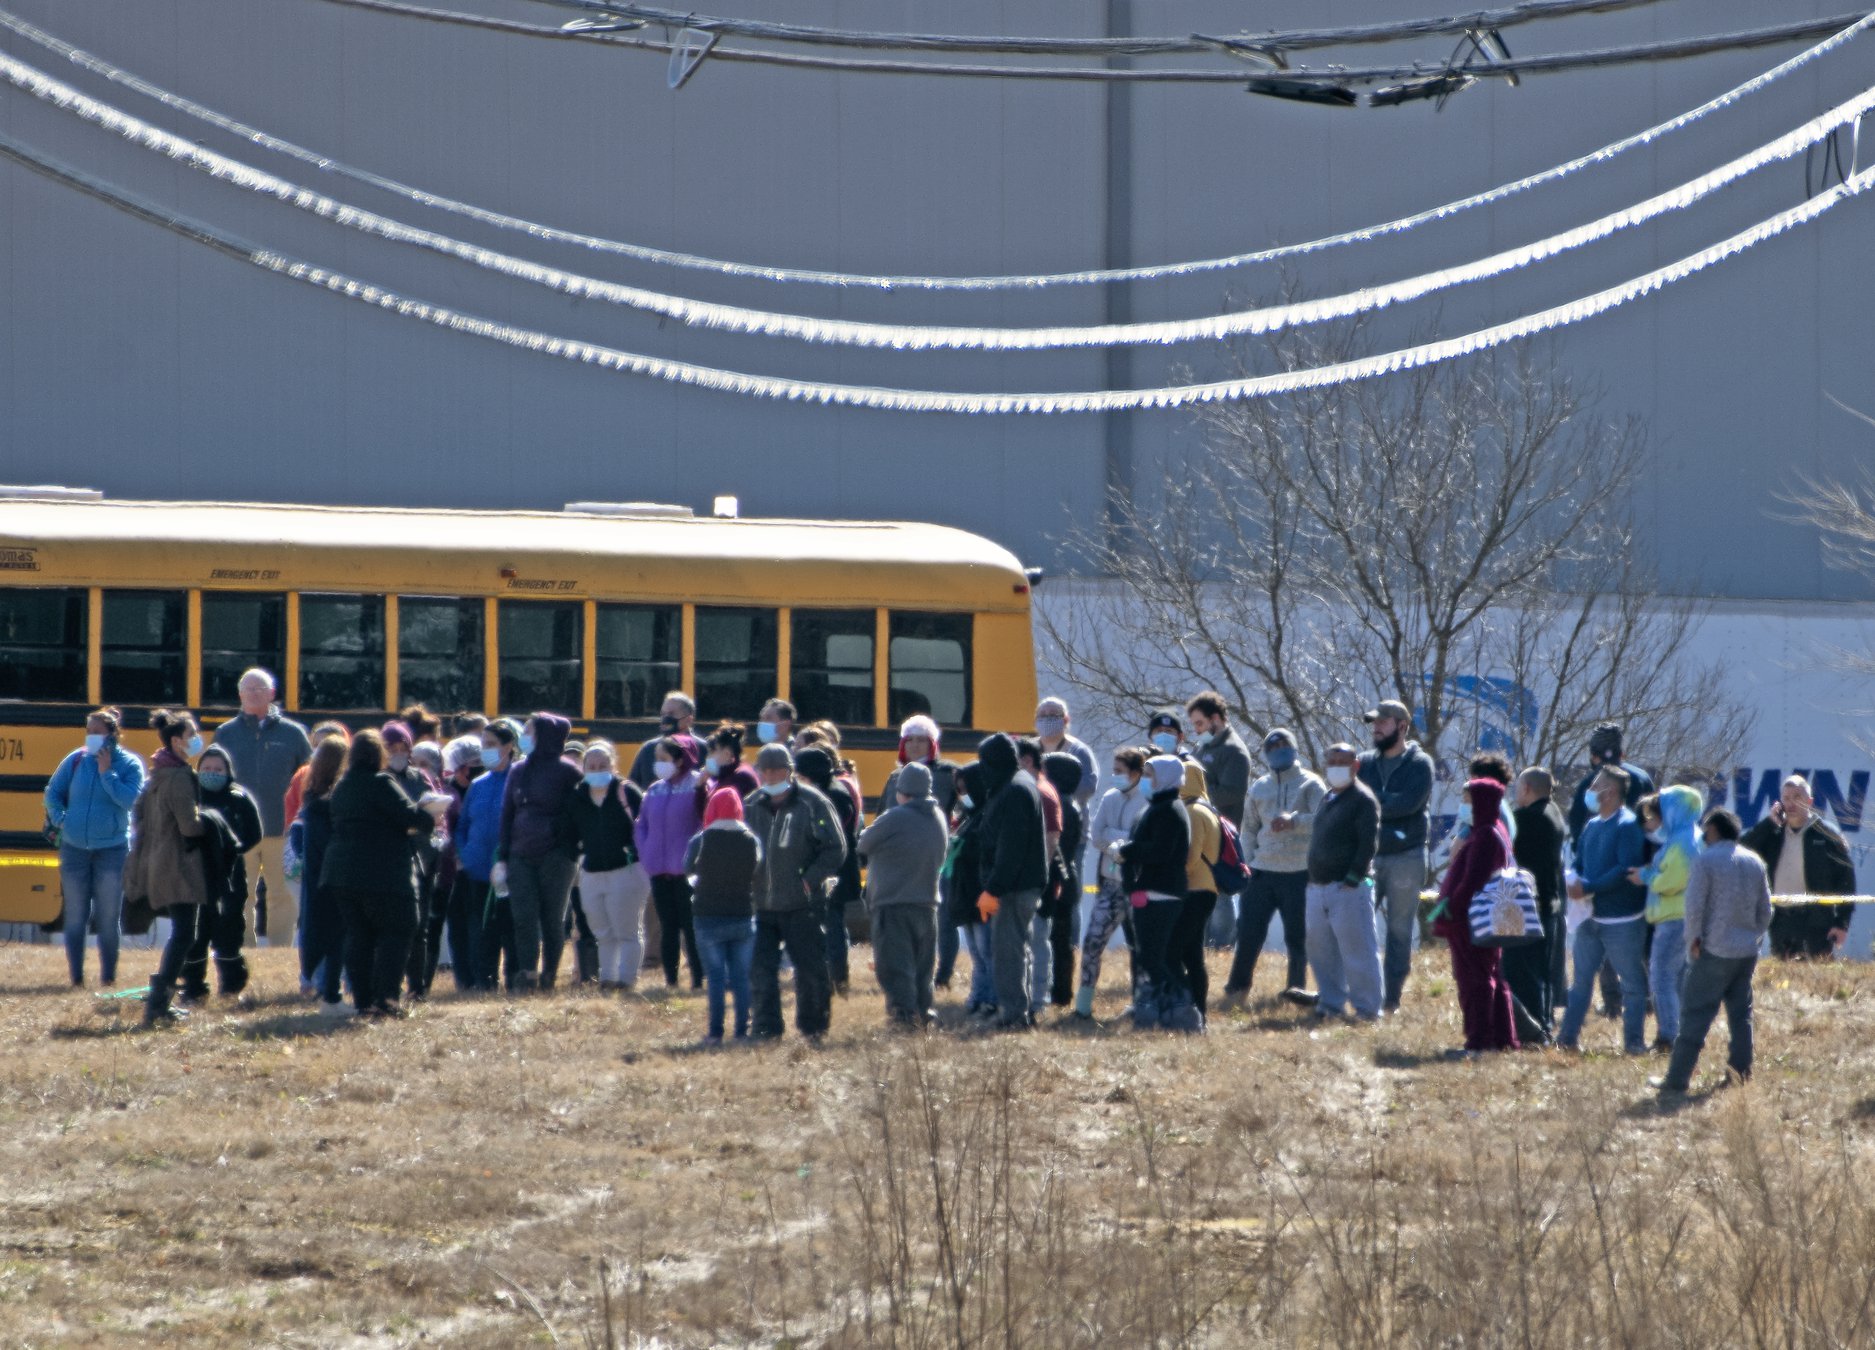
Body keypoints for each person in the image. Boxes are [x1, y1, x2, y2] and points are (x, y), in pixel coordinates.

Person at [322, 730, 450, 1018]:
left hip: (342, 873)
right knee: (399, 929)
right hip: (383, 872)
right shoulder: (381, 782)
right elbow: (409, 816)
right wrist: (430, 816)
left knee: (359, 935)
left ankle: (363, 1000)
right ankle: (387, 998)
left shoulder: (343, 786)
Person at [1652, 809, 1773, 1097]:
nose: (1703, 835)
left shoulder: (1706, 861)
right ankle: (1740, 1074)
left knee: (1694, 1014)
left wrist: (1693, 937)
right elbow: (1766, 910)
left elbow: (1693, 906)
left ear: (1715, 831)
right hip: (1746, 952)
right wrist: (1753, 937)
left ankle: (1677, 1080)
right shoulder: (1754, 861)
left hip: (1714, 950)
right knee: (1741, 1015)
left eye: (1705, 830)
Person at [746, 744, 845, 1041]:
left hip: (803, 904)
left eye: (778, 769)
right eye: (766, 770)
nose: (771, 775)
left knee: (810, 970)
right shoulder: (750, 804)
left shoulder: (813, 803)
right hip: (761, 904)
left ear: (789, 771)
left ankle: (813, 1028)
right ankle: (765, 1027)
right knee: (760, 969)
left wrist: (810, 880)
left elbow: (835, 848)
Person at [1222, 728, 1323, 1009]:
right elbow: (1250, 828)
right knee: (1249, 933)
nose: (1279, 749)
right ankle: (1236, 989)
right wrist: (1249, 862)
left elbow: (1325, 819)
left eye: (1284, 744)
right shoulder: (1260, 787)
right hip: (1262, 872)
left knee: (1297, 937)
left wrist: (1295, 821)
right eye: (1272, 746)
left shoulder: (1311, 784)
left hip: (1299, 871)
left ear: (1294, 748)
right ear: (1266, 754)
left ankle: (1296, 990)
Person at [212, 668, 312, 949]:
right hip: (239, 831)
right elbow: (215, 778)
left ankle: (280, 949)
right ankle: (243, 947)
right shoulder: (225, 733)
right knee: (240, 894)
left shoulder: (294, 733)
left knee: (282, 894)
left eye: (260, 689)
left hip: (281, 827)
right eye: (248, 689)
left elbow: (308, 776)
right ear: (240, 695)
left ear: (272, 694)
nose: (254, 694)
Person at [44, 707, 144, 988]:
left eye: (97, 733)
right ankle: (76, 978)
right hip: (74, 849)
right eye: (88, 732)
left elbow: (130, 801)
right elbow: (53, 792)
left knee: (108, 917)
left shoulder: (129, 765)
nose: (91, 738)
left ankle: (108, 978)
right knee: (75, 915)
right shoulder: (75, 760)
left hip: (112, 850)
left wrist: (107, 773)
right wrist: (60, 819)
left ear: (113, 735)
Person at [1557, 767, 1650, 1055]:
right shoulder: (1592, 825)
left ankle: (1633, 1044)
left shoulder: (1628, 825)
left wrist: (1589, 886)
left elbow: (1625, 869)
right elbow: (1582, 862)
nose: (1590, 790)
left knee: (1633, 985)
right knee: (1581, 982)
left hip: (1623, 919)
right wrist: (1576, 880)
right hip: (1590, 917)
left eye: (1595, 785)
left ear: (1610, 792)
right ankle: (1567, 1039)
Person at [126, 710, 209, 1027]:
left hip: (159, 862)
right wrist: (212, 825)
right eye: (191, 736)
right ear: (176, 741)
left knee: (182, 931)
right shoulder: (178, 778)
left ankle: (160, 997)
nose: (196, 740)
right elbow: (189, 826)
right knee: (186, 933)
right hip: (179, 865)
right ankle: (160, 1002)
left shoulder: (158, 773)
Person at [1356, 699, 1435, 1014]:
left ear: (1402, 727)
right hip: (1367, 858)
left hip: (1407, 857)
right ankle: (1361, 993)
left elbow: (1409, 804)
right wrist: (1383, 802)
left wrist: (1374, 803)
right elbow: (1356, 804)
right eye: (1374, 722)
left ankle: (1391, 1000)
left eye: (1384, 722)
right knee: (1358, 925)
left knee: (1399, 931)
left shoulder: (1420, 764)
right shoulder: (1363, 762)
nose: (1376, 727)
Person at [859, 760, 949, 1029]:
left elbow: (863, 842)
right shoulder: (939, 817)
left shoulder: (896, 816)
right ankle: (923, 1014)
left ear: (902, 791)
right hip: (928, 902)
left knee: (895, 966)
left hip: (893, 903)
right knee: (922, 969)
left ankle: (903, 1018)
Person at [495, 713, 581, 992]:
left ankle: (550, 975)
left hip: (556, 855)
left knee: (552, 918)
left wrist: (563, 841)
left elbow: (577, 814)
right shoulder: (519, 770)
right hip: (521, 854)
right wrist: (503, 857)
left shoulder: (567, 771)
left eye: (530, 731)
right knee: (523, 916)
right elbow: (508, 815)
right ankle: (528, 972)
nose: (525, 736)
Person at [1433, 778, 1519, 1057]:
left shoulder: (1484, 836)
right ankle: (1503, 1039)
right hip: (1485, 917)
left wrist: (1451, 907)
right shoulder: (1495, 830)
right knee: (1493, 976)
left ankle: (1479, 1041)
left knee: (1474, 981)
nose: (1464, 807)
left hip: (1471, 919)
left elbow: (1473, 880)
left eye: (1468, 801)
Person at [1303, 742, 1383, 1022]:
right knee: (1321, 952)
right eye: (1332, 761)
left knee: (1358, 951)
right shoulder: (1328, 798)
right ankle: (1331, 1004)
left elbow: (1367, 844)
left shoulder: (1362, 799)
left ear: (1356, 766)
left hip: (1348, 889)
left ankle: (1368, 1010)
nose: (1336, 767)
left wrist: (1352, 878)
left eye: (1343, 761)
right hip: (1318, 887)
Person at [976, 733, 1048, 1030]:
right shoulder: (1018, 783)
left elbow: (1011, 848)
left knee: (1009, 953)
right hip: (1020, 884)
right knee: (1020, 950)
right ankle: (1023, 1011)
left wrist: (993, 889)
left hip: (1014, 888)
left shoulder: (1014, 790)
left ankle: (1014, 1016)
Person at [882, 715, 961, 986]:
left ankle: (943, 974)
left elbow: (966, 809)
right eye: (910, 740)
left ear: (932, 743)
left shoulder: (948, 773)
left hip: (939, 855)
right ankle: (910, 969)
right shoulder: (895, 777)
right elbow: (883, 815)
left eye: (922, 740)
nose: (916, 745)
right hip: (900, 858)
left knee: (943, 916)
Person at [1742, 775, 1857, 959]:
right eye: (1786, 798)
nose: (1791, 803)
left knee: (1815, 978)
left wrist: (1842, 922)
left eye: (1797, 797)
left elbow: (1846, 882)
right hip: (1780, 919)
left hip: (1816, 922)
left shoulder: (1828, 835)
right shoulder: (1773, 833)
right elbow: (1741, 850)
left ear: (1809, 801)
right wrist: (1768, 823)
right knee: (1781, 980)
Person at [1115, 755, 1191, 1030]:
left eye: (1150, 774)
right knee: (1153, 956)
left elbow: (1160, 851)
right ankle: (1164, 1010)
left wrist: (1126, 850)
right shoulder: (1153, 807)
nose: (1145, 779)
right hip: (1149, 890)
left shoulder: (1169, 809)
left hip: (1162, 892)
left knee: (1153, 957)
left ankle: (1183, 1007)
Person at [182, 746, 263, 1003]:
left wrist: (232, 850)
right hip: (194, 875)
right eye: (207, 769)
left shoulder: (239, 798)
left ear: (228, 772)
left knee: (228, 928)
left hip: (229, 875)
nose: (212, 774)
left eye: (218, 770)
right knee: (196, 932)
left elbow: (254, 833)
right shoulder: (189, 797)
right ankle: (193, 987)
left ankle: (231, 985)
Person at [1075, 747, 1149, 1018]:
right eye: (1114, 771)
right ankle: (1083, 1006)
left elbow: (1141, 840)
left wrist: (1116, 839)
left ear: (1136, 773)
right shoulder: (1108, 798)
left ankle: (1141, 1004)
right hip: (1110, 884)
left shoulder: (1146, 801)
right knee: (1093, 941)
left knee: (1139, 948)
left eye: (1120, 771)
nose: (1115, 776)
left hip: (1137, 885)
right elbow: (1096, 835)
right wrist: (1120, 840)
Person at [571, 741, 650, 992]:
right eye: (591, 766)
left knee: (626, 930)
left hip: (625, 871)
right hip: (591, 873)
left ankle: (625, 981)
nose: (597, 770)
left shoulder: (627, 792)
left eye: (602, 765)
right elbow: (568, 832)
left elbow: (645, 827)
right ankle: (607, 979)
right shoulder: (577, 797)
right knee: (603, 933)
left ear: (613, 766)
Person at [685, 787, 761, 1045]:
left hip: (707, 917)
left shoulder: (701, 840)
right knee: (741, 978)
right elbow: (759, 874)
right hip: (742, 915)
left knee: (716, 979)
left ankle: (715, 1032)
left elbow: (686, 870)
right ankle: (742, 1031)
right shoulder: (751, 839)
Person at [1633, 785, 1702, 1053]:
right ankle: (1683, 1034)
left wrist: (1647, 877)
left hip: (1674, 918)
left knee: (1661, 977)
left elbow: (1673, 880)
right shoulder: (1686, 837)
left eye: (1658, 813)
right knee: (1678, 980)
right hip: (1682, 917)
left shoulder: (1683, 841)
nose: (1655, 821)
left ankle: (1669, 1036)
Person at [637, 735, 707, 990]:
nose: (658, 764)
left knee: (691, 928)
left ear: (679, 759)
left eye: (663, 759)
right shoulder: (655, 790)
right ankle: (671, 980)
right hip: (659, 870)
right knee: (668, 927)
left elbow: (703, 822)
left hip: (687, 872)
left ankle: (698, 979)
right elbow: (641, 825)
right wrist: (647, 854)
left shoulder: (698, 786)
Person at [1505, 767, 1568, 1045]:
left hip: (1531, 906)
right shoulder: (1554, 812)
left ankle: (1532, 1030)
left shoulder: (1528, 819)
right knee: (1543, 971)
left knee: (1523, 971)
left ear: (1527, 788)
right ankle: (1544, 1023)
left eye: (1518, 787)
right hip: (1551, 903)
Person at [457, 720, 520, 991]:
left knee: (511, 927)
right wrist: (464, 854)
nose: (486, 750)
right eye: (484, 745)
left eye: (492, 745)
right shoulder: (479, 784)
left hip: (510, 870)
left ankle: (515, 979)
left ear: (508, 747)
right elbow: (462, 826)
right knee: (481, 930)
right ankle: (485, 982)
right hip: (477, 870)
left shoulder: (519, 780)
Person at [1187, 692, 1253, 948]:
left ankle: (1222, 949)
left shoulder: (1234, 751)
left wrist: (1197, 792)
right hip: (1198, 833)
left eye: (1200, 723)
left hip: (1220, 837)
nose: (1196, 730)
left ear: (1216, 719)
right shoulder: (1202, 747)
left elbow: (1232, 792)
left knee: (1221, 896)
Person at [290, 735, 349, 1015]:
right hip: (336, 877)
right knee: (337, 935)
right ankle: (330, 992)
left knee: (318, 929)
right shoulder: (332, 803)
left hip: (316, 878)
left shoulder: (310, 799)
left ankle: (320, 983)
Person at [795, 746, 861, 997]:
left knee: (832, 925)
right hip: (830, 870)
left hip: (834, 872)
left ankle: (837, 979)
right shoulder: (830, 790)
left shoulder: (832, 795)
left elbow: (828, 837)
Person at [1168, 759, 1221, 1030]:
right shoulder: (1207, 808)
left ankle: (1185, 1009)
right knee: (1192, 956)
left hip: (1194, 890)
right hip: (1207, 889)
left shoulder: (1192, 811)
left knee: (1171, 954)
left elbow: (1190, 857)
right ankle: (1200, 1014)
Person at [1015, 736, 1063, 1018]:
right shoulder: (1031, 788)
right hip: (1032, 875)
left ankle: (1038, 999)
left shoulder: (1041, 792)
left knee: (1038, 938)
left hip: (1039, 878)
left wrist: (1038, 875)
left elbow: (1052, 837)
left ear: (1027, 761)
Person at [946, 761, 998, 1017]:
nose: (962, 795)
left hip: (981, 894)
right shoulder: (967, 817)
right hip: (965, 894)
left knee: (987, 951)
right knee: (976, 953)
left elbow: (979, 851)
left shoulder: (988, 816)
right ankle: (977, 997)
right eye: (959, 790)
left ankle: (990, 999)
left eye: (965, 788)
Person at [1041, 752, 1086, 1007]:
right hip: (1067, 879)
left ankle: (1060, 992)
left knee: (1059, 940)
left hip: (1059, 880)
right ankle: (1061, 991)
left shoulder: (1063, 807)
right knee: (1061, 940)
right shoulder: (1070, 803)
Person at [1034, 697, 1098, 808]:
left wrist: (1055, 793)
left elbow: (1088, 786)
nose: (1047, 719)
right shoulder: (1028, 750)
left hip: (1069, 815)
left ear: (1065, 720)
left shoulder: (1079, 751)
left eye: (1053, 715)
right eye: (1042, 715)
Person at [627, 691, 697, 789]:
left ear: (689, 720)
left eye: (671, 714)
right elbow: (632, 787)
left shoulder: (701, 748)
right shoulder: (648, 749)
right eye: (663, 714)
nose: (666, 719)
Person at [704, 722, 763, 799]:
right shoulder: (724, 775)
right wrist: (701, 787)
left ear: (727, 754)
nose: (708, 757)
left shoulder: (741, 777)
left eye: (712, 752)